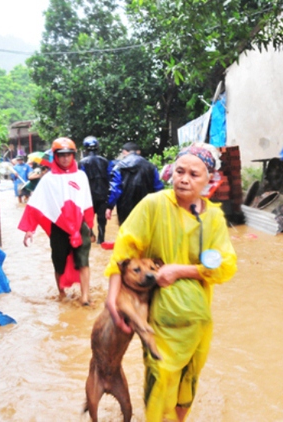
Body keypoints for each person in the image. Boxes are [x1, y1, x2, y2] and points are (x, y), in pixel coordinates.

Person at [103, 142, 237, 421]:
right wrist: (112, 298)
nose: (184, 179)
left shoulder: (212, 218)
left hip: (198, 317)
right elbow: (123, 251)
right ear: (170, 173)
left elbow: (223, 264)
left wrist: (181, 270)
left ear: (210, 179)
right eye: (179, 171)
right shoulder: (154, 205)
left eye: (194, 174)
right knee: (159, 375)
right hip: (160, 315)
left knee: (190, 378)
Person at [18, 137, 95, 305]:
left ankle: (85, 297)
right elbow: (36, 205)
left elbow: (87, 202)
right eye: (61, 155)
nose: (65, 158)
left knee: (83, 260)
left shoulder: (81, 176)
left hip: (79, 226)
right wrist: (30, 229)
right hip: (58, 227)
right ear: (55, 156)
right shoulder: (48, 179)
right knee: (58, 262)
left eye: (69, 154)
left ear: (73, 155)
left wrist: (90, 225)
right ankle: (61, 294)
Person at [105, 142, 164, 225]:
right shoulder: (151, 166)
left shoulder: (119, 167)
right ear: (138, 152)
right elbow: (158, 187)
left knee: (126, 232)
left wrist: (109, 206)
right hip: (147, 206)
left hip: (125, 207)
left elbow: (115, 189)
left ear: (124, 152)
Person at [80, 136, 110, 243]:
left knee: (88, 218)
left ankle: (91, 236)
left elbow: (81, 179)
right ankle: (101, 239)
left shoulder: (82, 162)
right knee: (102, 219)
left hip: (88, 196)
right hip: (103, 195)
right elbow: (109, 177)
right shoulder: (105, 161)